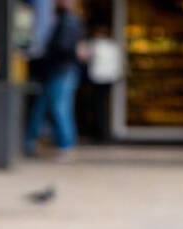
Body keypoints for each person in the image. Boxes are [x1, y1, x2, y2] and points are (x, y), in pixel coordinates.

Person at [24, 0, 84, 162]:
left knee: (60, 108)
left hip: (62, 71)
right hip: (55, 71)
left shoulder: (68, 21)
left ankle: (65, 145)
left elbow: (64, 47)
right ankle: (32, 141)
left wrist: (43, 54)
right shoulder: (60, 19)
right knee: (43, 107)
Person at [86, 25, 122, 143]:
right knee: (101, 106)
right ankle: (101, 132)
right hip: (107, 79)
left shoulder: (95, 44)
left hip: (98, 79)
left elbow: (86, 57)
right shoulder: (112, 45)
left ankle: (100, 133)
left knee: (98, 106)